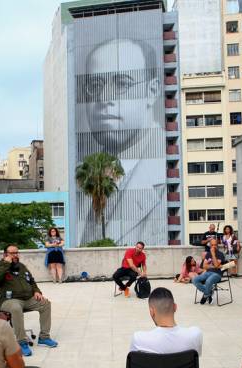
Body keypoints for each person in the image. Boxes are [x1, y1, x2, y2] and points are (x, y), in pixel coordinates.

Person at [75, 37, 165, 247]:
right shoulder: (82, 176)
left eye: (122, 83)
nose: (105, 97)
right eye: (95, 85)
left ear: (151, 91)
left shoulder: (168, 171)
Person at [0, 244, 58, 357]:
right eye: (12, 253)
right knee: (16, 308)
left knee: (45, 304)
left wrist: (37, 291)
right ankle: (21, 342)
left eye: (17, 253)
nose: (15, 255)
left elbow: (31, 281)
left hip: (26, 298)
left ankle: (44, 337)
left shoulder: (21, 266)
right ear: (5, 254)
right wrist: (6, 264)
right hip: (7, 300)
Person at [193, 238, 230, 305]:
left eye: (215, 245)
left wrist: (213, 254)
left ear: (217, 245)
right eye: (212, 245)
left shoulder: (220, 254)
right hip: (208, 272)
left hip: (217, 274)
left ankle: (205, 295)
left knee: (208, 281)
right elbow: (204, 266)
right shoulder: (208, 254)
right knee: (195, 280)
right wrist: (213, 266)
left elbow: (216, 265)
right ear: (210, 245)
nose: (214, 246)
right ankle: (208, 294)